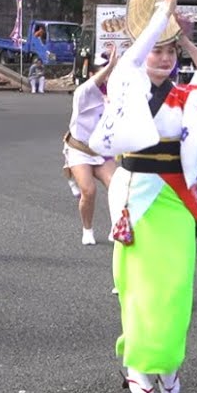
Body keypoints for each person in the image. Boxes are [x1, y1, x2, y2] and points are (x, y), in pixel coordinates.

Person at [93, 0, 197, 393]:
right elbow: (134, 57)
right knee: (137, 287)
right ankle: (137, 364)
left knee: (175, 287)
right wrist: (163, 13)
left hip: (175, 199)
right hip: (136, 195)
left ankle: (168, 364)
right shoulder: (124, 83)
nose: (165, 58)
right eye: (159, 51)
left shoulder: (186, 94)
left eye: (172, 51)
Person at [63, 46, 119, 245]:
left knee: (118, 187)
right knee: (89, 190)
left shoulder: (115, 93)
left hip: (102, 151)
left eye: (110, 70)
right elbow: (89, 86)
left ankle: (117, 227)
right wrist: (111, 65)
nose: (109, 73)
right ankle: (87, 229)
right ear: (93, 73)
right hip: (79, 149)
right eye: (104, 70)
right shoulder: (83, 93)